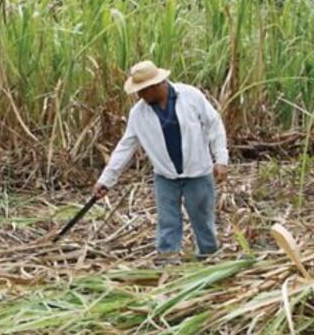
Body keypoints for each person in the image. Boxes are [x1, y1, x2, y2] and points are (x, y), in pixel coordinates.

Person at [93, 60, 229, 257]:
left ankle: (208, 257)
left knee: (203, 221)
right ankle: (168, 262)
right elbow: (125, 147)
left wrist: (221, 159)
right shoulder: (138, 114)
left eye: (142, 90)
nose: (139, 95)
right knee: (168, 222)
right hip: (165, 176)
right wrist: (106, 180)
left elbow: (214, 125)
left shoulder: (191, 97)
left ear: (157, 85)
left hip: (198, 172)